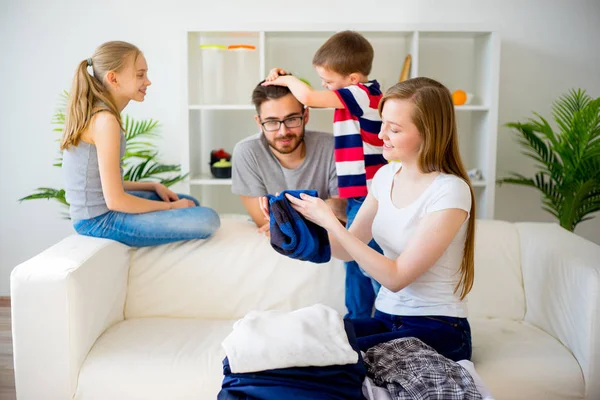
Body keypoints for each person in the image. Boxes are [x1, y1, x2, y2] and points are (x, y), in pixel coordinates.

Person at [265, 77, 477, 362]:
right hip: (386, 318)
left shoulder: (450, 191)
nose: (380, 136)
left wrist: (329, 220)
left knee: (322, 360)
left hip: (437, 329)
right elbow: (345, 248)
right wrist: (293, 216)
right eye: (383, 123)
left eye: (395, 129)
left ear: (429, 133)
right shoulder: (385, 176)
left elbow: (396, 278)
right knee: (291, 341)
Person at [263, 30, 387, 318]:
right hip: (359, 197)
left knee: (368, 259)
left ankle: (390, 318)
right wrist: (289, 77)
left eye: (329, 81)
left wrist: (285, 80)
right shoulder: (352, 96)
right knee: (355, 260)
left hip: (371, 197)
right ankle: (357, 318)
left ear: (354, 79)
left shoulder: (364, 94)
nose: (324, 86)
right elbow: (311, 93)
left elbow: (307, 96)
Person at [61, 41, 220, 247]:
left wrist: (153, 186)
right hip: (98, 221)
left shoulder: (102, 114)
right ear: (113, 78)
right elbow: (116, 201)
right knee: (208, 218)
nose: (148, 82)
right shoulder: (105, 121)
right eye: (140, 75)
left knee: (190, 202)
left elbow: (104, 185)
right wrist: (172, 209)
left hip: (99, 212)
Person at [231, 83, 346, 236]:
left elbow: (342, 216)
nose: (283, 132)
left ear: (305, 116)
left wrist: (284, 219)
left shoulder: (333, 146)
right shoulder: (246, 152)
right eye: (272, 122)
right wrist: (321, 210)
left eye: (291, 119)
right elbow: (265, 221)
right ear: (259, 123)